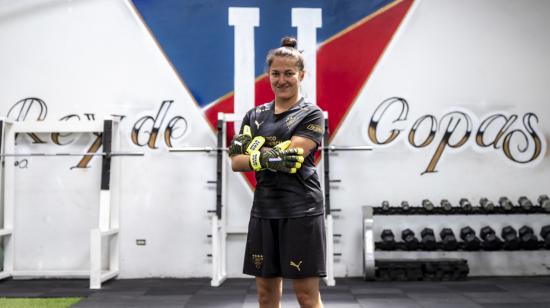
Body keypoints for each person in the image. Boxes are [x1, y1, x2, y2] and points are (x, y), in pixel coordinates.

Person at [229, 37, 325, 308]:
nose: (282, 80)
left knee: (307, 296)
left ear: (301, 75)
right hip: (264, 208)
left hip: (301, 209)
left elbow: (292, 156)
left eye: (289, 73)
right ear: (268, 75)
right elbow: (236, 161)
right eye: (275, 74)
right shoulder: (254, 115)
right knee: (265, 295)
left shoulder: (311, 114)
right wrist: (267, 158)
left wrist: (255, 156)